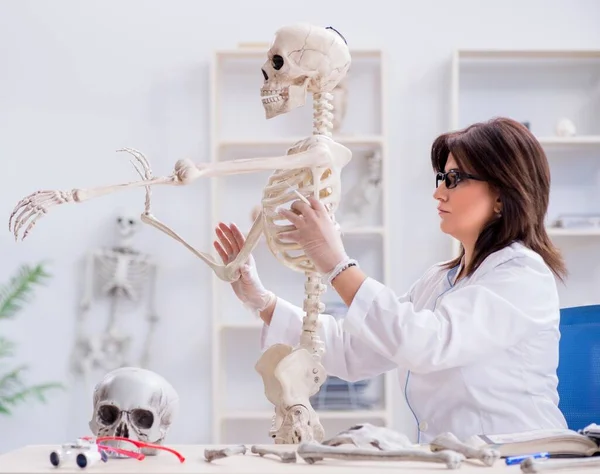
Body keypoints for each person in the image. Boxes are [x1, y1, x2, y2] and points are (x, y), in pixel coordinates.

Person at [213, 116, 569, 443]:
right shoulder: (441, 278)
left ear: (502, 197)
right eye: (441, 178)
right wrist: (261, 301)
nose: (439, 192)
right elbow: (354, 351)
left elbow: (428, 344)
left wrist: (335, 263)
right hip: (457, 462)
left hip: (516, 462)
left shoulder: (523, 276)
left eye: (454, 179)